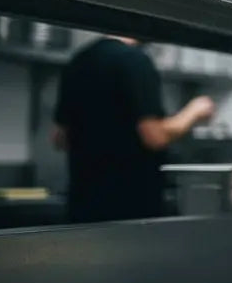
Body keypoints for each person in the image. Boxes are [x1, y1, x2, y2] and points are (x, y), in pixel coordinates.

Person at [53, 36, 215, 223]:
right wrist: (194, 111)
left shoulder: (78, 61)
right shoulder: (134, 60)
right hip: (129, 211)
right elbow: (154, 136)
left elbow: (60, 138)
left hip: (83, 208)